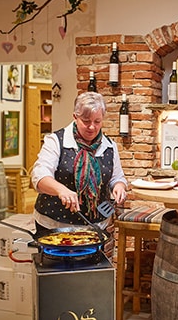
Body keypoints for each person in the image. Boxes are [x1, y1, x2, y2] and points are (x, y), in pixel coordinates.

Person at [31, 92, 128, 251]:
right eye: (86, 121)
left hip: (95, 227)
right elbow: (39, 177)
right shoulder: (57, 141)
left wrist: (119, 186)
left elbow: (117, 177)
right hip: (55, 226)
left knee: (91, 274)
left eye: (97, 121)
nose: (92, 127)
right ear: (75, 117)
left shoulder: (109, 146)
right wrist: (61, 190)